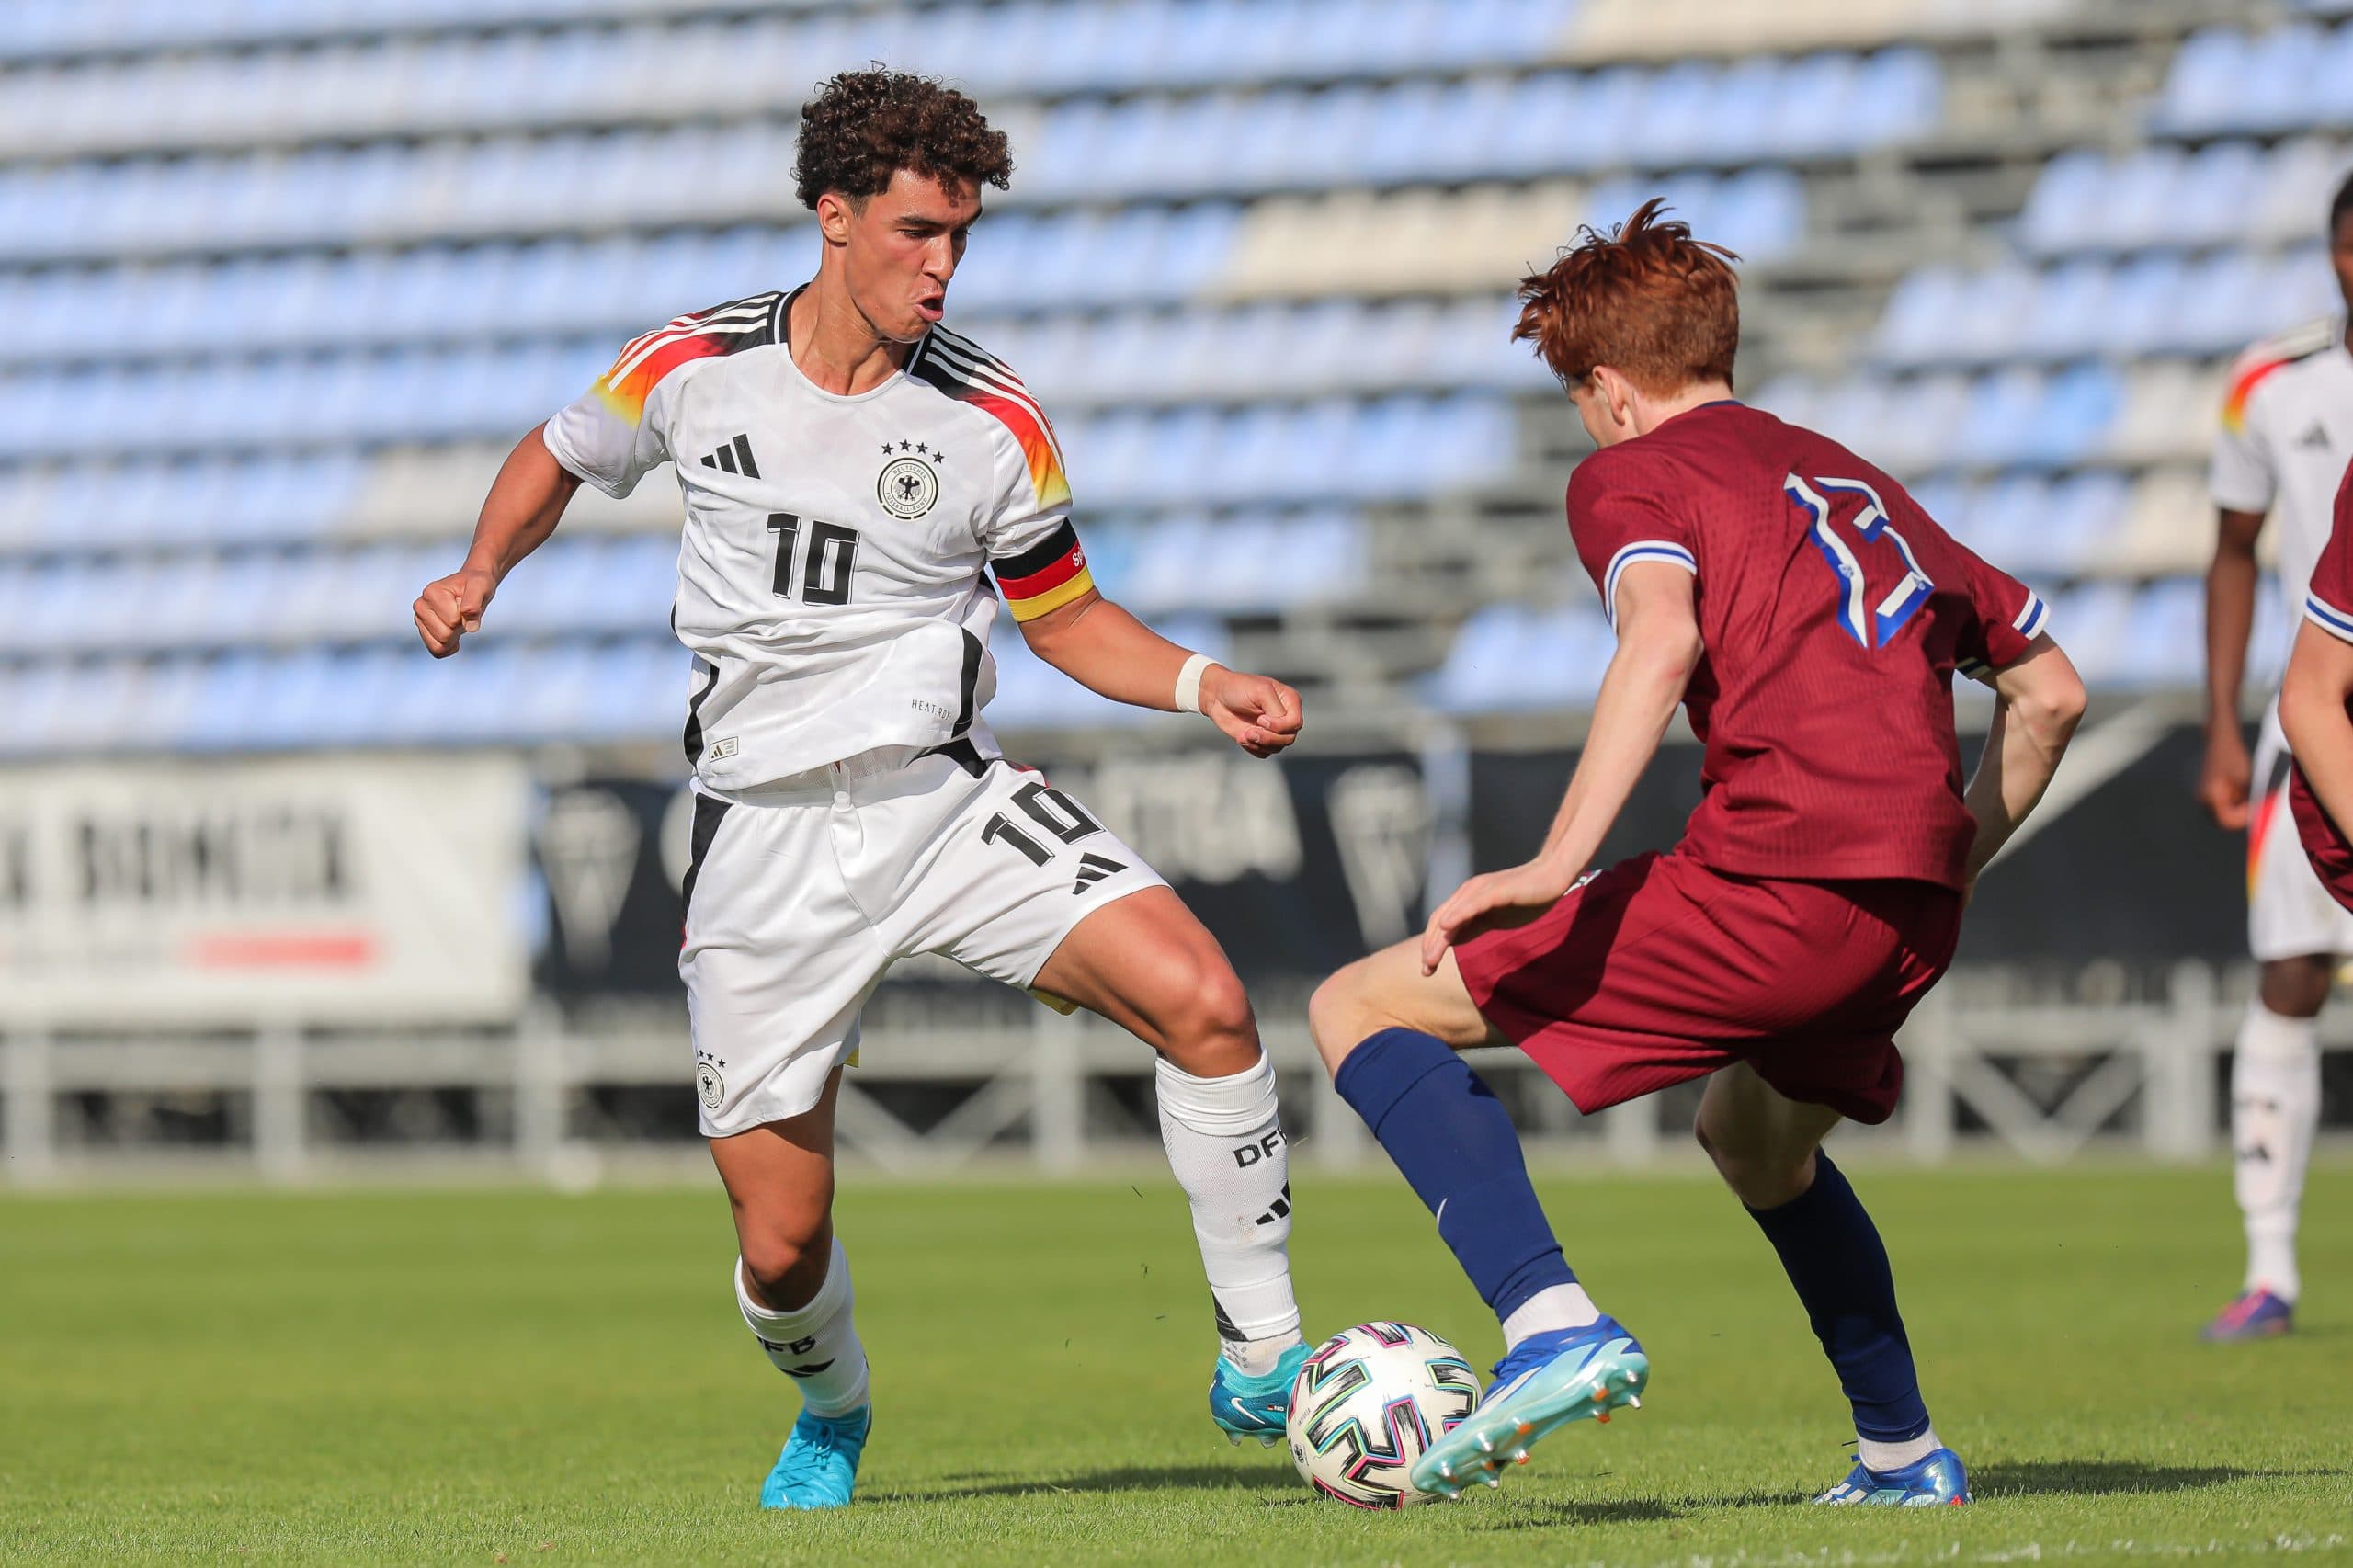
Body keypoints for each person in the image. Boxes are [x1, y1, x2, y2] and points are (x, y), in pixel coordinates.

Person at [411, 69, 1311, 1510]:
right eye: (916, 233)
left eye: (962, 237)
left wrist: (1204, 681)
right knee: (781, 1246)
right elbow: (560, 451)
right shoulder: (693, 365)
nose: (943, 267)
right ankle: (834, 1406)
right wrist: (478, 570)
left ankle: (1265, 1353)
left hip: (941, 800)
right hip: (761, 831)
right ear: (834, 218)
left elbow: (1067, 617)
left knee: (1203, 1000)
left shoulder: (992, 417)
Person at [1306, 201, 2086, 1506]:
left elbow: (1659, 636)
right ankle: (1902, 1454)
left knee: (1358, 1004)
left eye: (1576, 396)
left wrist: (1550, 862)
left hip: (1777, 877)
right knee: (1756, 1140)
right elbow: (2051, 693)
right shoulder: (1854, 480)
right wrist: (1949, 862)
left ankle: (1549, 1320)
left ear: (1609, 388)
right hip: (1907, 909)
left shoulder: (1633, 473)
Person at [2192, 170, 2353, 1343]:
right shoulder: (2272, 381)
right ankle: (2268, 1265)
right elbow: (2233, 551)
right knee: (2291, 970)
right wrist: (2218, 722)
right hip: (2320, 711)